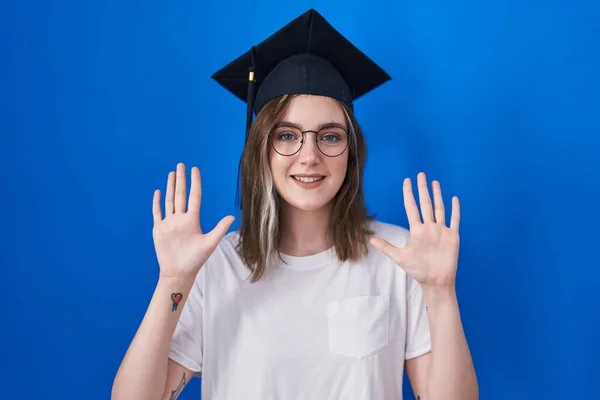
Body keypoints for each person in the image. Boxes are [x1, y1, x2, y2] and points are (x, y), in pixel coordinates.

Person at [111, 8, 478, 400]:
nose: (309, 157)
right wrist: (173, 280)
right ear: (261, 151)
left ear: (351, 153)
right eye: (286, 136)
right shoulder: (214, 265)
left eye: (331, 137)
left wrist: (441, 291)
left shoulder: (399, 257)